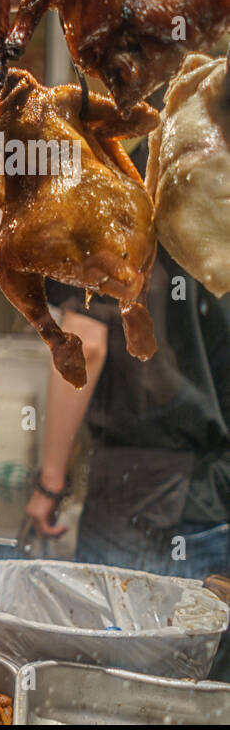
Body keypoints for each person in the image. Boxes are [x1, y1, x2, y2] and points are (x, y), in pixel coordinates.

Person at [27, 245, 230, 582]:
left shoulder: (114, 217)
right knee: (200, 631)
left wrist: (50, 484)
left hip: (138, 499)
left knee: (115, 631)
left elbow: (85, 346)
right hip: (215, 498)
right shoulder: (213, 209)